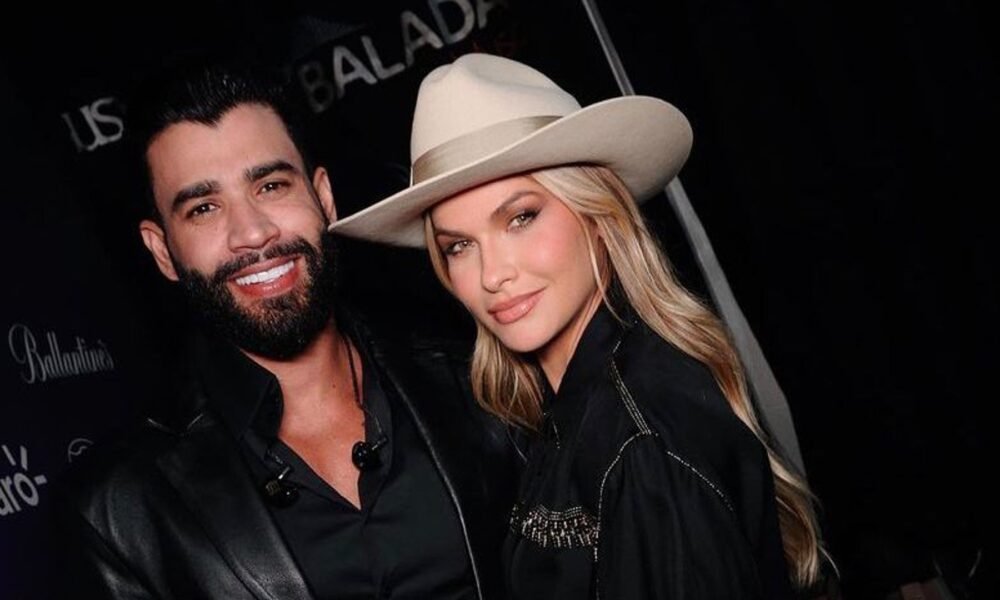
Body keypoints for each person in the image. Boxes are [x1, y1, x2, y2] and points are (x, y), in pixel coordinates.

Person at [332, 53, 826, 599]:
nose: (492, 275)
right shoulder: (572, 408)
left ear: (597, 214)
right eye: (459, 246)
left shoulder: (641, 444)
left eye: (521, 218)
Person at [58, 59, 520, 599]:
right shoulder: (116, 512)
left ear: (323, 197)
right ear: (162, 250)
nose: (252, 232)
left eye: (271, 185)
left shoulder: (483, 384)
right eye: (204, 208)